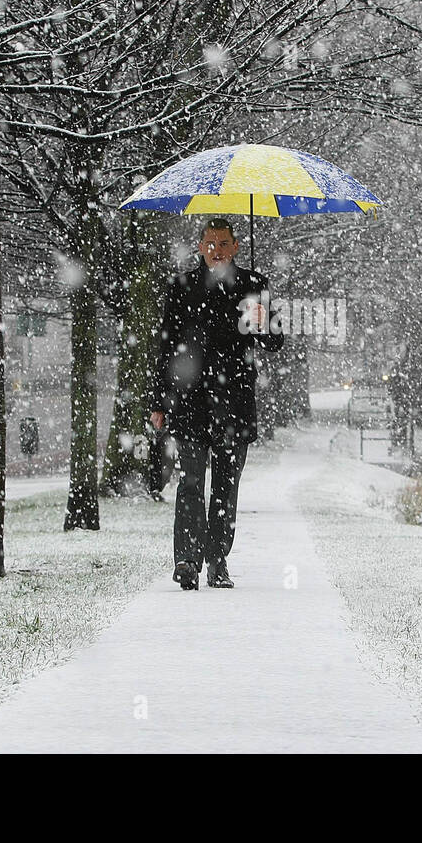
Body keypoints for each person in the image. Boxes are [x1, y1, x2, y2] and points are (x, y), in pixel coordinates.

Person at [150, 217, 284, 590]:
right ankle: (187, 560)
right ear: (200, 246)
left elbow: (275, 342)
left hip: (234, 403)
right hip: (189, 402)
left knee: (225, 486)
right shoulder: (182, 287)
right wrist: (158, 401)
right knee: (190, 483)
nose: (216, 250)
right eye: (210, 243)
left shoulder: (253, 287)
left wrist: (263, 322)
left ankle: (217, 559)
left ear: (236, 246)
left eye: (223, 243)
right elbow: (165, 347)